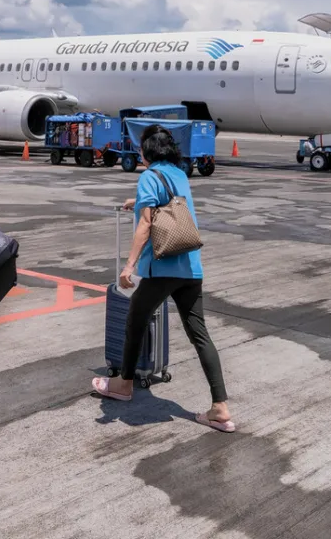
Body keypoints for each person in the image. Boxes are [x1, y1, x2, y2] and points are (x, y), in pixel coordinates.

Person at [91, 124, 234, 433]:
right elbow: (169, 205)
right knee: (200, 335)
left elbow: (146, 225)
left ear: (146, 153)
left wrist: (128, 266)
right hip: (190, 268)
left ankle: (123, 384)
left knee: (135, 319)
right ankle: (220, 407)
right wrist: (137, 201)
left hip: (162, 267)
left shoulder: (148, 176)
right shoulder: (180, 174)